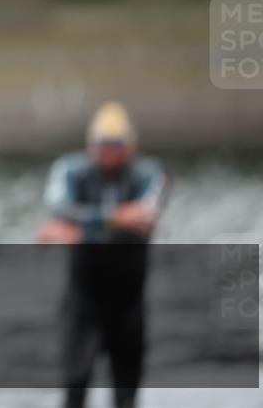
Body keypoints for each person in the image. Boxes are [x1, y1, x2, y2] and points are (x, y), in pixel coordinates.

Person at [38, 101, 170, 408]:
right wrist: (115, 218)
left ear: (132, 145)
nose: (109, 152)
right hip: (84, 298)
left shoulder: (151, 173)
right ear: (90, 145)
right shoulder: (71, 169)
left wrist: (80, 230)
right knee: (75, 385)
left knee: (126, 394)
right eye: (102, 145)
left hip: (129, 301)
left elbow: (145, 218)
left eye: (117, 144)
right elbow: (57, 209)